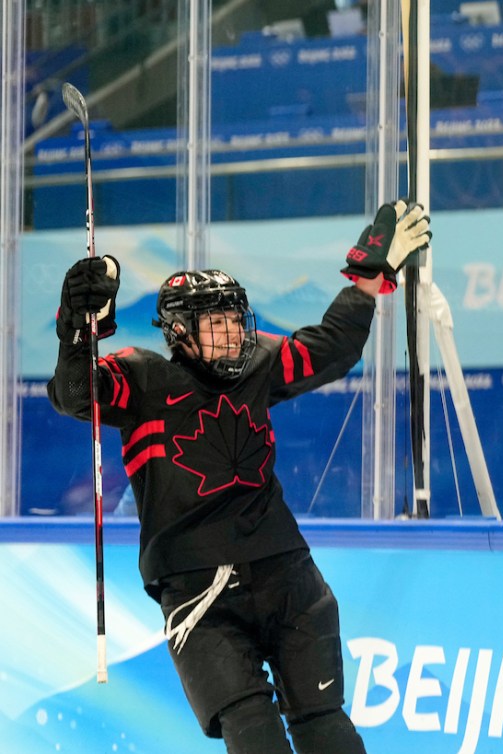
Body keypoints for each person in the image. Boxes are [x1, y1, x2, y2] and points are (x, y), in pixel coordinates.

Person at [47, 199, 431, 753]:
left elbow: (331, 348)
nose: (231, 334)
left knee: (325, 725)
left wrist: (368, 278)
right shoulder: (144, 378)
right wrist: (76, 331)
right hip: (197, 590)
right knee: (255, 732)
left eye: (234, 319)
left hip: (286, 573)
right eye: (215, 322)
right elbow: (76, 394)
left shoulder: (257, 364)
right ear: (179, 331)